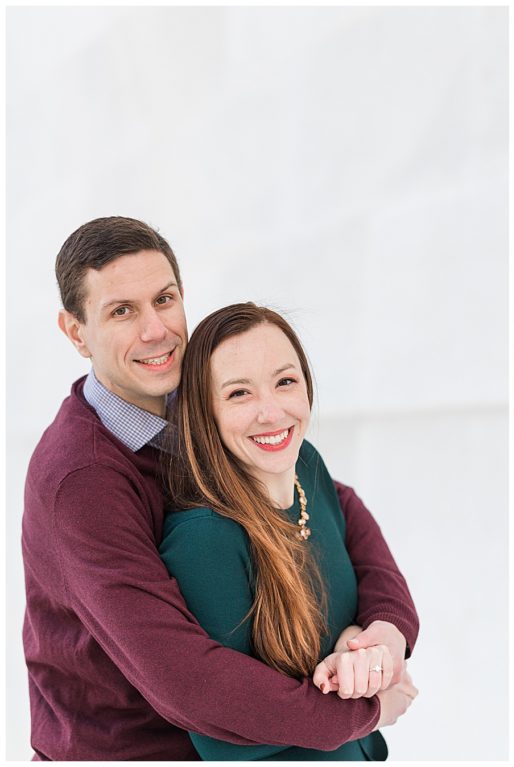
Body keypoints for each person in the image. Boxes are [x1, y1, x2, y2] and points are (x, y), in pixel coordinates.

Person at [22, 217, 419, 760]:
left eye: (164, 299)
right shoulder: (82, 480)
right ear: (75, 332)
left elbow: (331, 500)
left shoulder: (199, 402)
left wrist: (382, 633)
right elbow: (186, 679)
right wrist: (364, 711)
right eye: (122, 311)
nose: (155, 330)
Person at [159, 303, 417, 760]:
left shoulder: (308, 466)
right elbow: (222, 732)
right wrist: (371, 704)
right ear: (205, 412)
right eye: (239, 394)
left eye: (285, 381)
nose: (271, 411)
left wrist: (366, 640)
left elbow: (370, 560)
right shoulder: (205, 539)